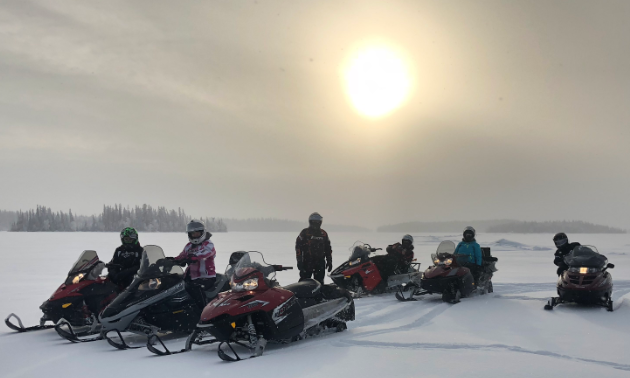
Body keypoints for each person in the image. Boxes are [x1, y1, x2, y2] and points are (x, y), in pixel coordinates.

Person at [174, 220, 217, 309]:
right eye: (192, 234)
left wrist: (193, 257)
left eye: (197, 233)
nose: (195, 236)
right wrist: (170, 260)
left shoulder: (208, 244)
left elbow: (204, 253)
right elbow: (182, 256)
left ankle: (203, 312)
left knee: (197, 291)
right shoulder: (188, 246)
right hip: (192, 277)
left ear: (202, 233)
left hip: (206, 278)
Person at [295, 212, 332, 285]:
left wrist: (329, 261)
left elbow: (328, 248)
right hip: (307, 261)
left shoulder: (323, 234)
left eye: (318, 222)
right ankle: (301, 295)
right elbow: (298, 247)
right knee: (304, 282)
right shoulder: (305, 233)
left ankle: (319, 295)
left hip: (320, 262)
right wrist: (299, 261)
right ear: (311, 222)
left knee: (319, 283)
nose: (316, 223)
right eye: (315, 222)